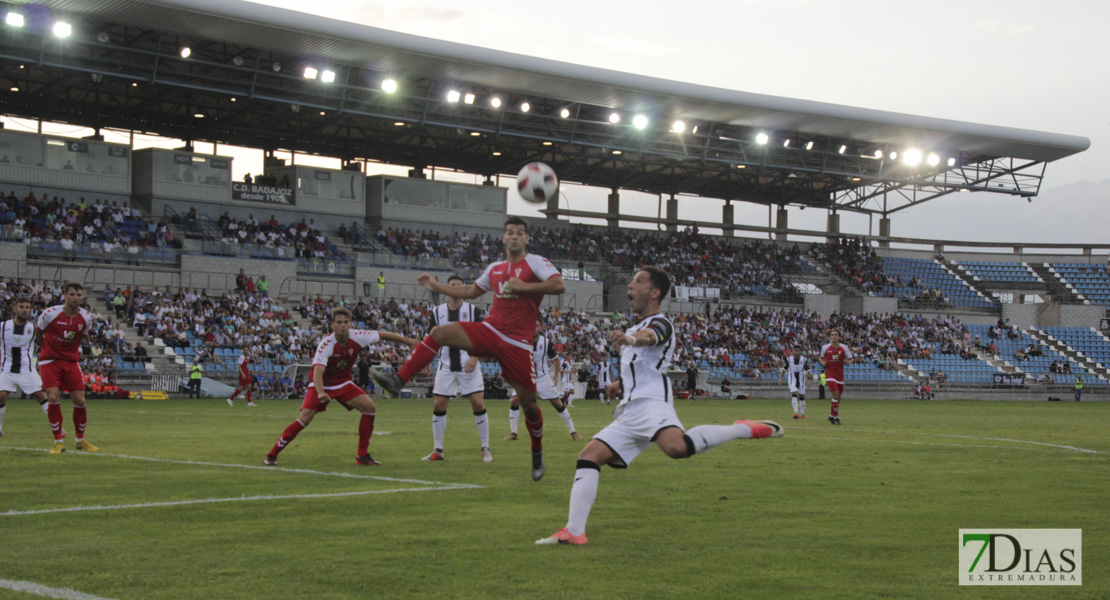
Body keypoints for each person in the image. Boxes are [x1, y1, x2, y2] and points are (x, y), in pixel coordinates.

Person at [536, 267, 782, 546]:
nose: (630, 286)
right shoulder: (634, 327)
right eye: (631, 281)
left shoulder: (661, 323)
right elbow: (640, 365)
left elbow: (651, 338)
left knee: (676, 448)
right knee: (589, 456)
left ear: (654, 293)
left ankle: (741, 429)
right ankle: (574, 531)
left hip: (652, 401)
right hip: (631, 408)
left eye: (638, 281)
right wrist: (619, 384)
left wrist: (629, 340)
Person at [373, 216, 565, 481]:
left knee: (529, 404)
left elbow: (559, 284)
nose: (514, 236)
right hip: (491, 330)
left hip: (518, 344)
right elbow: (473, 291)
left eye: (520, 233)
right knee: (438, 332)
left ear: (527, 238)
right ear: (503, 238)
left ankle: (536, 452)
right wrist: (436, 286)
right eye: (510, 232)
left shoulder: (535, 262)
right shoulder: (496, 268)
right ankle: (398, 380)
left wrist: (525, 286)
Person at [264, 308, 418, 466]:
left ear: (350, 324)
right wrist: (321, 392)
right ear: (332, 325)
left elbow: (383, 335)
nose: (343, 325)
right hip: (321, 384)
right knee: (304, 419)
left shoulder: (358, 336)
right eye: (339, 322)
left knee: (369, 407)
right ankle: (271, 455)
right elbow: (318, 372)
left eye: (346, 322)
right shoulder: (326, 345)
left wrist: (409, 342)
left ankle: (362, 456)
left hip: (343, 382)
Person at [422, 275, 492, 463]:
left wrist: (475, 357)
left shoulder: (473, 311)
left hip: (468, 365)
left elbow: (484, 337)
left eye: (459, 286)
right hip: (446, 365)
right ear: (447, 288)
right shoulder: (438, 312)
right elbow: (431, 340)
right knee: (439, 404)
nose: (456, 289)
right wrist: (426, 360)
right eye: (452, 286)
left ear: (464, 289)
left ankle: (485, 448)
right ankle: (438, 449)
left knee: (478, 403)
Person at [36, 283, 99, 453]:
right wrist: (46, 350)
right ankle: (58, 442)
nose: (76, 298)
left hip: (71, 362)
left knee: (80, 400)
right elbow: (38, 333)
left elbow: (81, 338)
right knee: (54, 397)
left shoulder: (86, 318)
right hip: (49, 361)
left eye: (79, 295)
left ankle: (80, 440)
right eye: (72, 294)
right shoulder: (50, 314)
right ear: (65, 296)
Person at [506, 323, 583, 442]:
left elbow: (556, 359)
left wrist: (556, 375)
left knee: (557, 403)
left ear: (540, 328)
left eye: (537, 325)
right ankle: (513, 433)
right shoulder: (522, 340)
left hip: (542, 378)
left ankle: (573, 431)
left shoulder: (546, 342)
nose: (534, 327)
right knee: (515, 400)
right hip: (526, 379)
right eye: (532, 325)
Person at [0, 298, 50, 437]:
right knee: (1, 395)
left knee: (41, 395)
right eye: (21, 307)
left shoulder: (34, 329)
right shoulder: (3, 326)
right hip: (7, 368)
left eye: (27, 307)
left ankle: (58, 429)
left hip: (26, 369)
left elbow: (43, 344)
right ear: (15, 309)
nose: (24, 310)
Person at [819, 329, 854, 425]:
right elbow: (820, 357)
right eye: (832, 335)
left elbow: (851, 359)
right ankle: (836, 416)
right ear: (830, 337)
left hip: (840, 375)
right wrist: (822, 362)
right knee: (835, 394)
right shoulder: (825, 347)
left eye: (836, 335)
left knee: (838, 397)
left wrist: (848, 362)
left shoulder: (844, 348)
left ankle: (832, 415)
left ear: (839, 337)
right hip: (830, 374)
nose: (834, 336)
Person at [778, 345, 810, 419]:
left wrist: (809, 378)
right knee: (794, 393)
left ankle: (802, 414)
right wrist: (781, 378)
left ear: (800, 351)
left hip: (801, 380)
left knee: (802, 396)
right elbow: (784, 369)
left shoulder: (804, 359)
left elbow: (808, 370)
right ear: (792, 351)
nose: (796, 352)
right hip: (792, 379)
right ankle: (796, 413)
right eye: (794, 350)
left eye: (797, 350)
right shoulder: (789, 359)